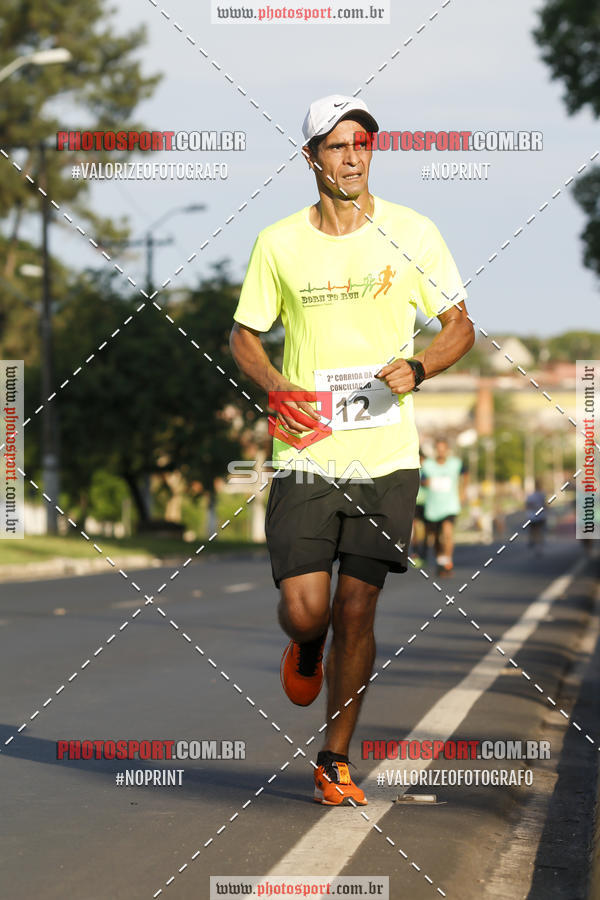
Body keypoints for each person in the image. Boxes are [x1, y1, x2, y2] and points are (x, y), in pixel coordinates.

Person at [229, 94, 474, 805]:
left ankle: (333, 759)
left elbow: (460, 325)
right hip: (306, 452)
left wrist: (421, 366)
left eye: (362, 144)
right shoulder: (278, 243)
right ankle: (306, 646)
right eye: (337, 146)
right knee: (310, 610)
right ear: (311, 158)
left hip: (386, 456)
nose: (352, 158)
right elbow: (245, 334)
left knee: (358, 610)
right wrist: (275, 384)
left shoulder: (414, 232)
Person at [421, 439, 467, 576]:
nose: (441, 452)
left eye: (443, 449)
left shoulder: (455, 463)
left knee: (447, 533)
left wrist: (463, 491)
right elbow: (422, 480)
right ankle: (440, 559)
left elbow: (466, 473)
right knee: (435, 537)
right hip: (433, 507)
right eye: (438, 449)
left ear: (447, 450)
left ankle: (447, 561)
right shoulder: (428, 465)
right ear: (435, 450)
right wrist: (427, 482)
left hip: (450, 505)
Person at [525, 479, 546, 553]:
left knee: (534, 530)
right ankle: (538, 545)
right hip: (540, 516)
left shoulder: (530, 496)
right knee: (539, 531)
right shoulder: (542, 495)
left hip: (532, 516)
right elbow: (545, 505)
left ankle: (533, 541)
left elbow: (527, 506)